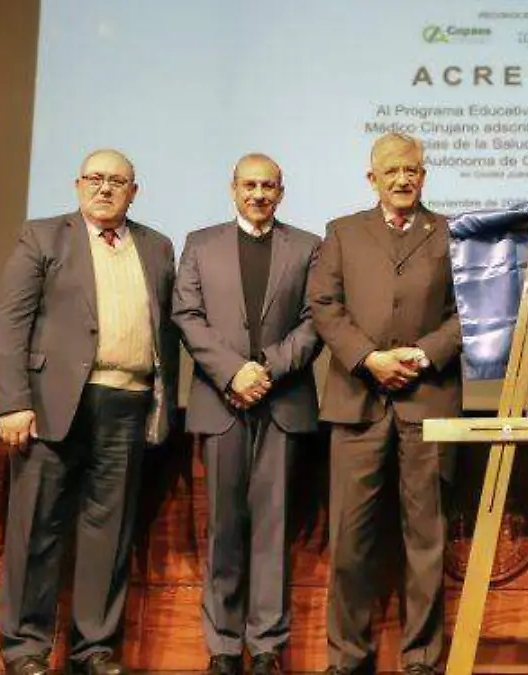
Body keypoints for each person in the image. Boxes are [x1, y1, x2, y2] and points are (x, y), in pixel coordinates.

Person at [0, 149, 179, 675]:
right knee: (37, 529)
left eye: (117, 181)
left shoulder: (157, 246)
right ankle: (25, 649)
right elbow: (10, 325)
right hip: (51, 405)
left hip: (128, 403)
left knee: (109, 533)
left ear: (134, 192)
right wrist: (12, 401)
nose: (105, 188)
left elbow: (168, 331)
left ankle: (94, 649)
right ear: (77, 185)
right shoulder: (42, 236)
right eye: (95, 178)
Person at [308, 132, 461, 675]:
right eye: (392, 171)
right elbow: (324, 305)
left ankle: (421, 659)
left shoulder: (451, 233)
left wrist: (424, 353)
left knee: (426, 540)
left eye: (412, 170)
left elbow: (468, 311)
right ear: (371, 178)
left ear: (424, 176)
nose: (403, 179)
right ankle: (348, 657)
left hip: (428, 400)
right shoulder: (342, 232)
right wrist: (368, 358)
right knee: (350, 540)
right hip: (358, 401)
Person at [173, 154, 321, 675]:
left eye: (268, 186)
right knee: (224, 529)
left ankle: (266, 647)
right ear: (233, 188)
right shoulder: (199, 244)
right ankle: (222, 646)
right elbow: (186, 315)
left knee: (273, 529)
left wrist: (266, 369)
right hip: (222, 403)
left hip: (282, 403)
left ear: (281, 191)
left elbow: (315, 320)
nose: (259, 194)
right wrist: (234, 372)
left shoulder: (308, 247)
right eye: (250, 185)